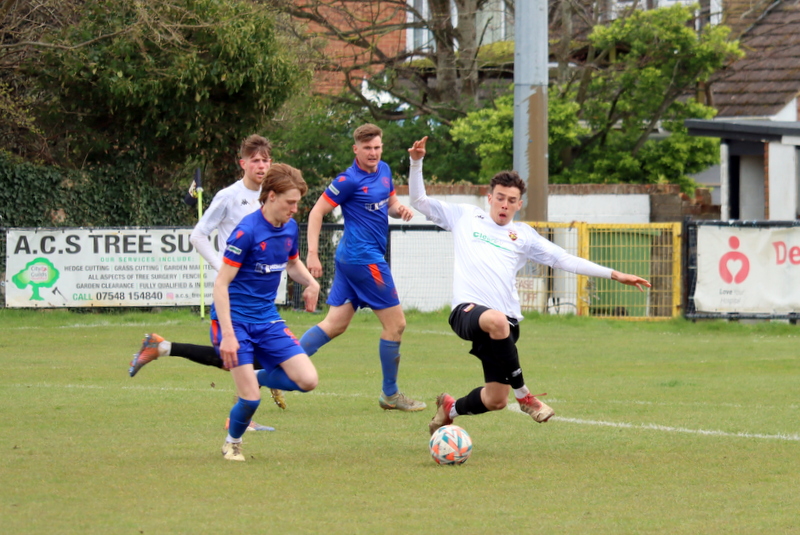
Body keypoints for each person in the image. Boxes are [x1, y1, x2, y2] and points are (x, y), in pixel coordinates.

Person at [405, 137, 651, 435]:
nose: (504, 205)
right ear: (489, 197)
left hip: (505, 325)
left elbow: (565, 259)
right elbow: (418, 201)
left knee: (495, 399)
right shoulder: (466, 216)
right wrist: (416, 162)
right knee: (495, 320)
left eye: (511, 200)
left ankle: (450, 408)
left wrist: (615, 274)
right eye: (500, 198)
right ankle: (525, 397)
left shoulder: (523, 235)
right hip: (467, 312)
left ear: (519, 204)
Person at [128, 135, 286, 428]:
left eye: (266, 160)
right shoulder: (228, 196)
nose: (261, 165)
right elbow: (198, 235)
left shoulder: (272, 196)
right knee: (239, 355)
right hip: (234, 291)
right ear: (243, 163)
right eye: (255, 160)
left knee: (243, 356)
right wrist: (223, 266)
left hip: (260, 292)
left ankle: (162, 347)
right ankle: (245, 413)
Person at [298, 123, 426, 412]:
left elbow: (389, 203)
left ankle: (276, 369)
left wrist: (400, 209)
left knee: (334, 325)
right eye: (367, 148)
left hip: (351, 260)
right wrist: (314, 254)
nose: (373, 153)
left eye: (377, 147)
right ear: (356, 149)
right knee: (396, 325)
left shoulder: (385, 170)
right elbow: (317, 211)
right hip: (363, 259)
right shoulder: (348, 180)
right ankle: (390, 394)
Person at [215, 162, 320, 461]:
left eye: (298, 202)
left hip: (267, 319)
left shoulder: (290, 228)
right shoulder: (246, 231)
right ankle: (232, 442)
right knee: (250, 399)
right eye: (290, 202)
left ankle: (258, 377)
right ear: (271, 196)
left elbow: (292, 262)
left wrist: (311, 283)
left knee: (308, 380)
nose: (295, 209)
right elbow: (220, 285)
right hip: (235, 320)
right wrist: (227, 335)